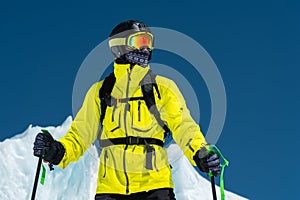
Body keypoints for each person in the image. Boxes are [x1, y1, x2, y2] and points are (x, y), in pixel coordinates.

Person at [33, 20, 221, 200]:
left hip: (155, 187)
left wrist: (201, 152)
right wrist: (57, 151)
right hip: (110, 190)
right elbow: (80, 135)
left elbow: (184, 126)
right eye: (140, 41)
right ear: (119, 47)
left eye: (149, 42)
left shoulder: (163, 87)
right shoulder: (100, 92)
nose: (146, 48)